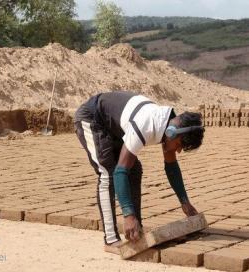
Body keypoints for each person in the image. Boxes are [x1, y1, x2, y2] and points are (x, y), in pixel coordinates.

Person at [74, 91, 204, 254]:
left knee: (135, 170)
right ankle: (111, 239)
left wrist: (184, 202)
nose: (178, 151)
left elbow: (171, 168)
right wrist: (128, 215)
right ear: (172, 133)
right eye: (179, 145)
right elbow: (120, 172)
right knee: (109, 173)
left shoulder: (170, 126)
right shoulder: (147, 125)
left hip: (114, 125)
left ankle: (136, 231)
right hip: (92, 118)